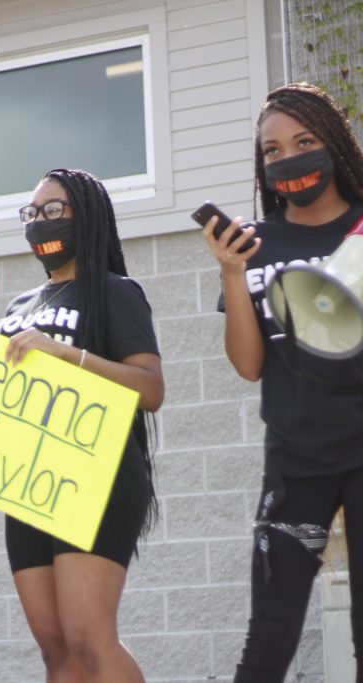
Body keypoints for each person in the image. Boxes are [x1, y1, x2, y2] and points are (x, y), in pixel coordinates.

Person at [201, 83, 363, 681]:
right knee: (269, 634)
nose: (287, 158)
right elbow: (248, 365)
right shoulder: (254, 246)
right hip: (295, 460)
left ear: (335, 146)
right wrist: (231, 271)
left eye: (304, 141)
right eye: (271, 151)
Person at [0, 168, 163, 681]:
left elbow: (150, 390)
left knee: (89, 638)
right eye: (32, 213)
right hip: (26, 480)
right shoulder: (17, 307)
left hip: (99, 474)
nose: (40, 222)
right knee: (56, 649)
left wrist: (67, 355)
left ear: (85, 217)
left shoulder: (115, 291)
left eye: (53, 210)